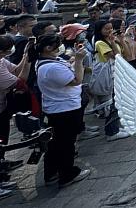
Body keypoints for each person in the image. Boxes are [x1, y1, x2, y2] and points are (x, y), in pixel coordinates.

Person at [34, 33, 91, 187]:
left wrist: (74, 59)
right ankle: (67, 174)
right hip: (63, 109)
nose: (60, 47)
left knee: (56, 143)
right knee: (66, 143)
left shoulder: (49, 61)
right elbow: (76, 80)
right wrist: (79, 60)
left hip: (60, 106)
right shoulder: (50, 67)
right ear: (47, 48)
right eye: (57, 44)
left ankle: (52, 172)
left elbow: (68, 66)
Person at [0, 35, 29, 147]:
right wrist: (28, 61)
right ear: (0, 52)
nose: (11, 50)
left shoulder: (0, 60)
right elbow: (19, 83)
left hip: (0, 107)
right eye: (9, 49)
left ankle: (0, 161)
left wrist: (26, 55)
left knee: (2, 140)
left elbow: (17, 70)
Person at [93, 20, 129, 141]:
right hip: (109, 76)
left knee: (118, 102)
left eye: (111, 28)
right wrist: (114, 43)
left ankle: (116, 127)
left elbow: (126, 53)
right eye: (106, 29)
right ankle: (111, 132)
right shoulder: (100, 43)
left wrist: (121, 40)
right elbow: (116, 56)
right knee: (111, 105)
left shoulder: (111, 40)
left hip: (116, 74)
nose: (109, 31)